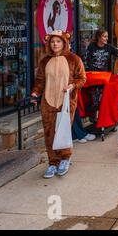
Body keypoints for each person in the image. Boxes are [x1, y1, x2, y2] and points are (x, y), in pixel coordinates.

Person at [31, 30, 86, 178]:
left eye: (58, 41)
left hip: (66, 101)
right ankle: (53, 162)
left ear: (64, 43)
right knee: (49, 133)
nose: (55, 44)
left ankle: (65, 159)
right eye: (53, 42)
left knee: (63, 131)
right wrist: (35, 92)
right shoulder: (44, 61)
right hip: (48, 102)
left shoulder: (74, 59)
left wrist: (72, 86)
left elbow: (82, 78)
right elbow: (40, 80)